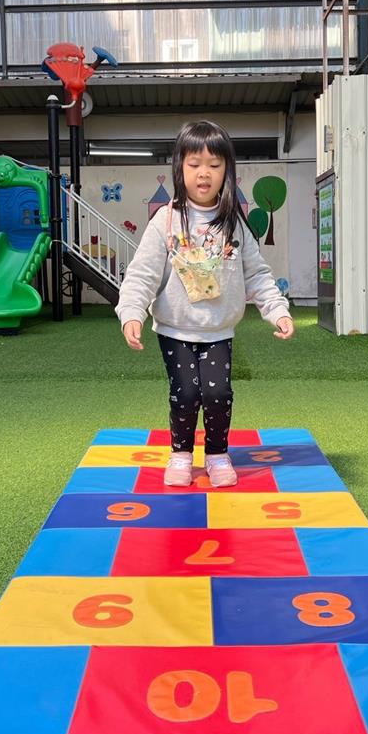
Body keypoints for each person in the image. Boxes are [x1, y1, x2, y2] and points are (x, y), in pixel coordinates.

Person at [116, 120, 294, 488]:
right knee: (185, 394)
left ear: (227, 170)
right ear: (179, 167)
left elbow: (257, 274)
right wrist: (131, 312)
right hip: (175, 329)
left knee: (217, 394)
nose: (204, 173)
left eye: (214, 165)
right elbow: (142, 274)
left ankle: (216, 455)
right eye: (194, 164)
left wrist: (277, 310)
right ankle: (181, 454)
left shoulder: (233, 223)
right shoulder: (165, 220)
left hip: (218, 330)